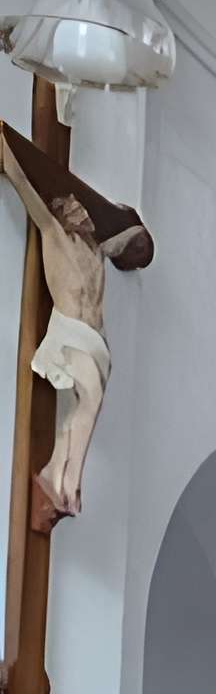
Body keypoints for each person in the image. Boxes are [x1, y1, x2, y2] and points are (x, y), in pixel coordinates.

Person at [2, 125, 154, 531]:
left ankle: (56, 475)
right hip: (70, 329)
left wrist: (128, 226)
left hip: (96, 343)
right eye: (76, 210)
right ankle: (69, 487)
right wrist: (6, 145)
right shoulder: (55, 234)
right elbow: (25, 187)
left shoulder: (96, 252)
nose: (83, 214)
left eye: (86, 212)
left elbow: (128, 235)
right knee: (88, 400)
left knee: (83, 408)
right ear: (63, 213)